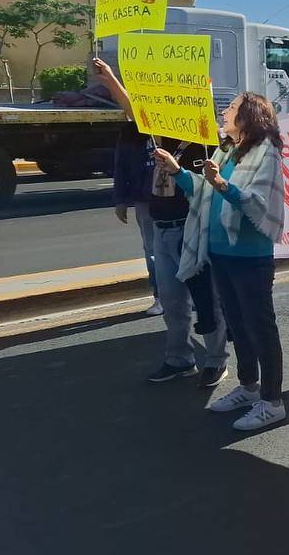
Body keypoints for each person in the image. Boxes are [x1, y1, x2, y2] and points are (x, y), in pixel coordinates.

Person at [155, 92, 287, 431]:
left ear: (248, 116)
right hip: (221, 253)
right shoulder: (227, 149)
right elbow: (204, 189)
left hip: (249, 257)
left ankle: (272, 402)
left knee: (260, 328)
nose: (223, 112)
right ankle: (248, 388)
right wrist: (177, 171)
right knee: (237, 326)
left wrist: (223, 184)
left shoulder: (266, 152)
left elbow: (258, 203)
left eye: (230, 108)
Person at [95, 59, 229, 387]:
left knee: (206, 300)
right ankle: (179, 358)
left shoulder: (206, 138)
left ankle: (215, 360)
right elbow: (130, 106)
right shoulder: (156, 133)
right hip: (162, 227)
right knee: (171, 300)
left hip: (192, 230)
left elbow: (213, 185)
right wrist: (110, 78)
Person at [112, 121, 162, 316]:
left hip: (176, 198)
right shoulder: (129, 133)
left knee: (180, 247)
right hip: (145, 199)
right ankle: (160, 296)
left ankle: (185, 294)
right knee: (152, 250)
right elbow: (121, 167)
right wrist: (120, 201)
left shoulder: (168, 125)